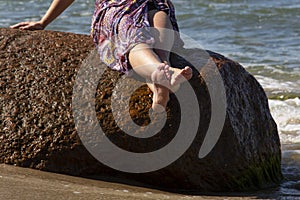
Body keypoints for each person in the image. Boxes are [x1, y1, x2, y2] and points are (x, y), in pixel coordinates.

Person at [10, 0, 192, 112]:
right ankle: (161, 71)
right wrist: (43, 22)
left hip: (135, 6)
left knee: (147, 30)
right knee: (145, 32)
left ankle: (160, 74)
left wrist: (43, 22)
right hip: (130, 7)